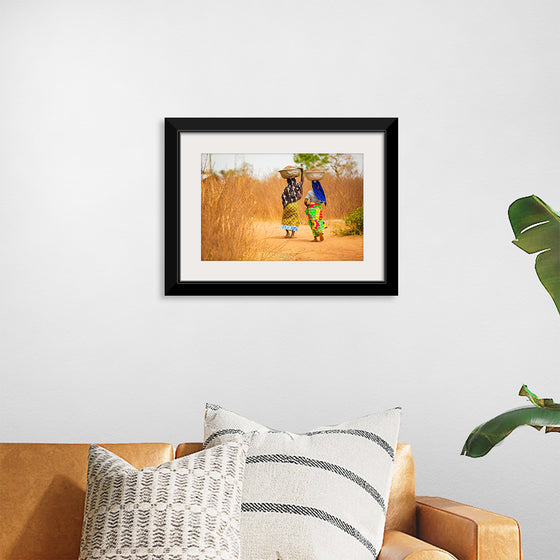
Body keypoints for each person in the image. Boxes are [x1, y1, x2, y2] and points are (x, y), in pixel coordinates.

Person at [279, 166, 303, 238]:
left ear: (288, 181)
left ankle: (287, 233)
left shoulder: (286, 189)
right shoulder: (297, 186)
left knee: (285, 218)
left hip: (287, 206)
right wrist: (302, 172)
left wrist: (284, 205)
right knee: (294, 219)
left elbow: (283, 197)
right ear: (294, 181)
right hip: (294, 205)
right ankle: (292, 234)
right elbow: (302, 181)